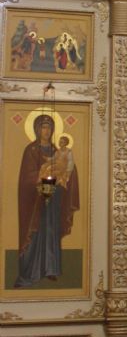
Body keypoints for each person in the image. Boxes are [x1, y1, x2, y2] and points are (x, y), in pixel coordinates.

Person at [14, 114, 80, 288]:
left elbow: (66, 167)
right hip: (35, 201)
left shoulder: (56, 150)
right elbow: (26, 177)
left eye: (50, 127)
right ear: (37, 129)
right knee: (36, 232)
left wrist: (69, 170)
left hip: (53, 199)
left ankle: (50, 269)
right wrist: (41, 176)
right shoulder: (31, 150)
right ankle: (30, 272)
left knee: (51, 231)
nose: (47, 131)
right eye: (43, 127)